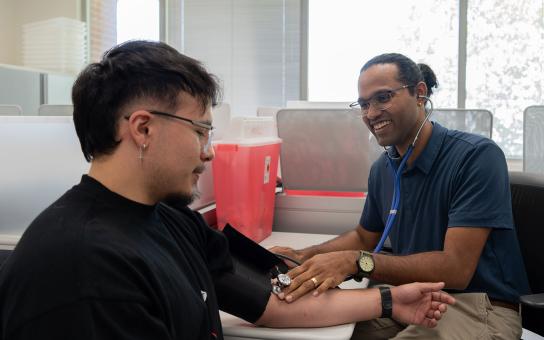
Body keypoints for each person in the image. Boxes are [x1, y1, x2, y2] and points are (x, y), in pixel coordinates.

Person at [0, 43, 454, 340]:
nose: (211, 152)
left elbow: (271, 302)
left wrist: (390, 300)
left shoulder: (173, 220)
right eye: (201, 131)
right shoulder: (82, 268)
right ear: (142, 128)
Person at [271, 53, 530, 340]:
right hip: (412, 298)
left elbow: (456, 269)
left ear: (419, 94)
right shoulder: (384, 168)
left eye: (383, 98)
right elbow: (363, 236)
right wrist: (303, 256)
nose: (370, 113)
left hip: (478, 305)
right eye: (364, 104)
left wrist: (356, 262)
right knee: (316, 328)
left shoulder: (476, 157)